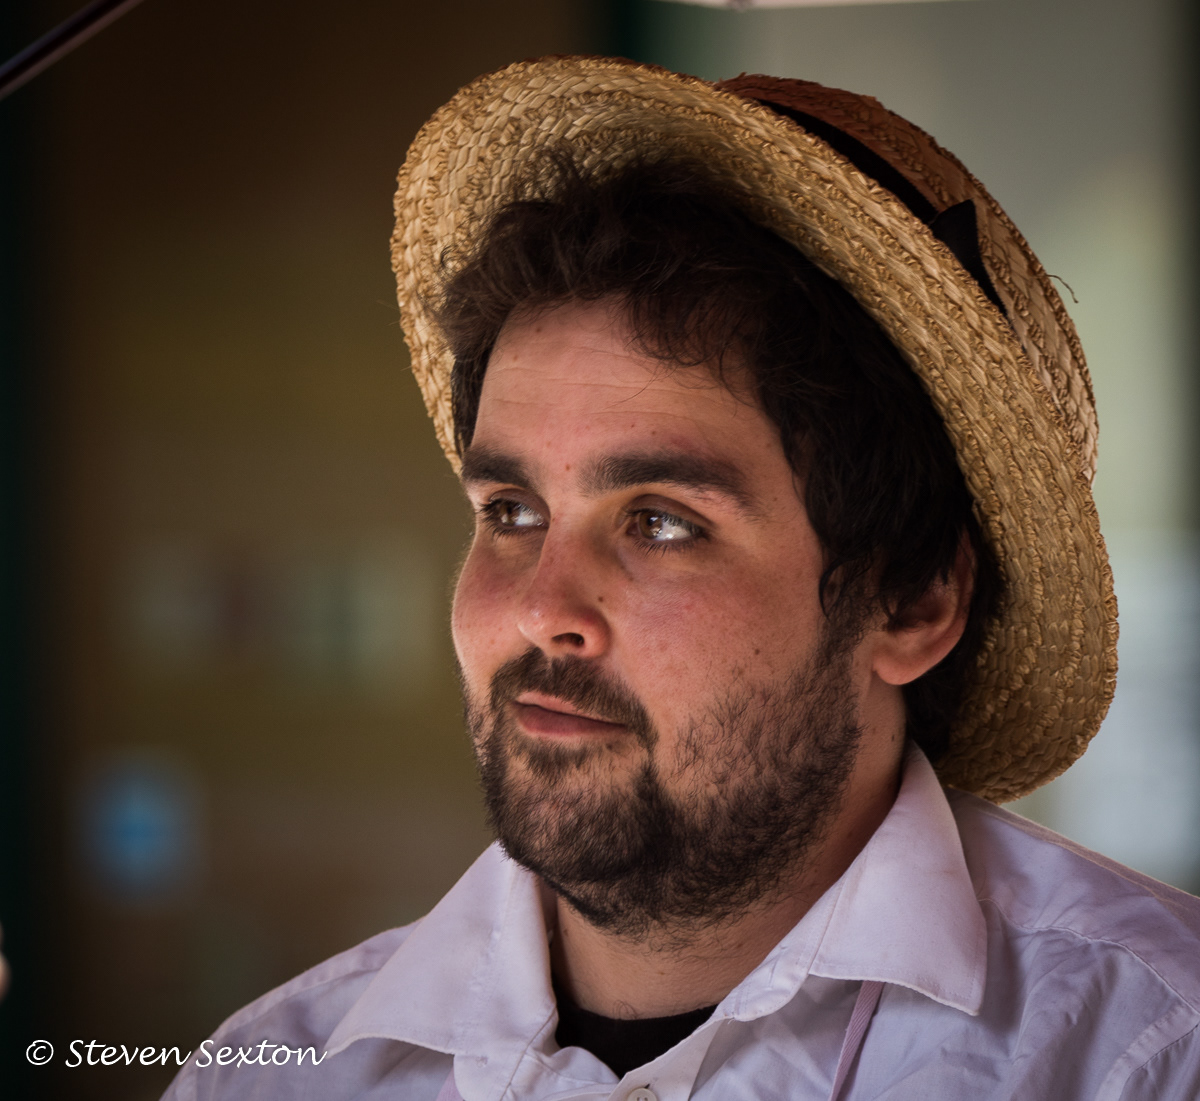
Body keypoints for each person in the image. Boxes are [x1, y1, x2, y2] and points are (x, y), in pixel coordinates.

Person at [162, 58, 1200, 1101]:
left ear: (915, 600)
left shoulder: (1149, 1053)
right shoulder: (272, 1076)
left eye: (660, 523)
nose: (542, 609)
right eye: (511, 512)